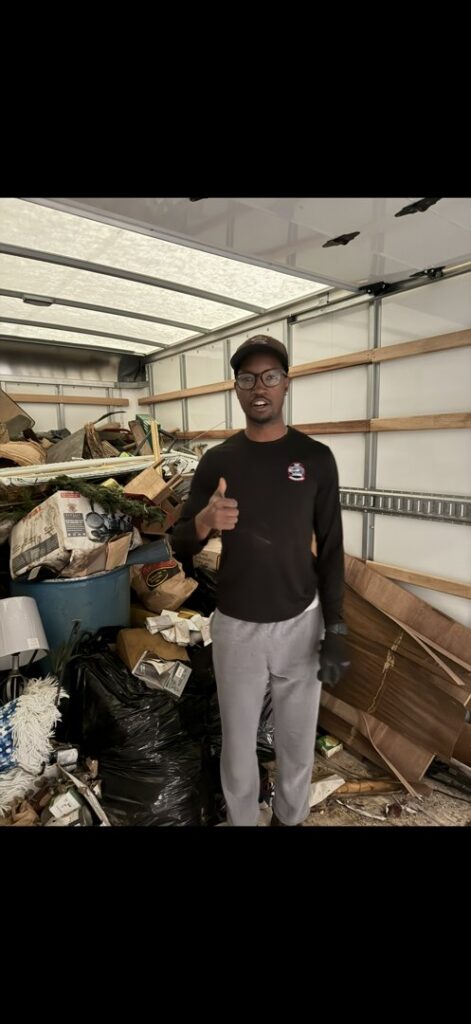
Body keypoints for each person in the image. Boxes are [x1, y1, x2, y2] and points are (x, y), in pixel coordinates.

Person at [172, 334, 349, 826]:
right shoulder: (218, 461)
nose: (259, 387)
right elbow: (179, 542)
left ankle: (289, 820)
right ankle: (244, 820)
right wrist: (205, 521)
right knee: (238, 747)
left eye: (270, 376)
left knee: (296, 745)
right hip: (236, 627)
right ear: (236, 388)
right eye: (247, 378)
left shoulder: (316, 458)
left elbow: (332, 548)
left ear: (286, 384)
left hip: (300, 622)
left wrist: (335, 628)